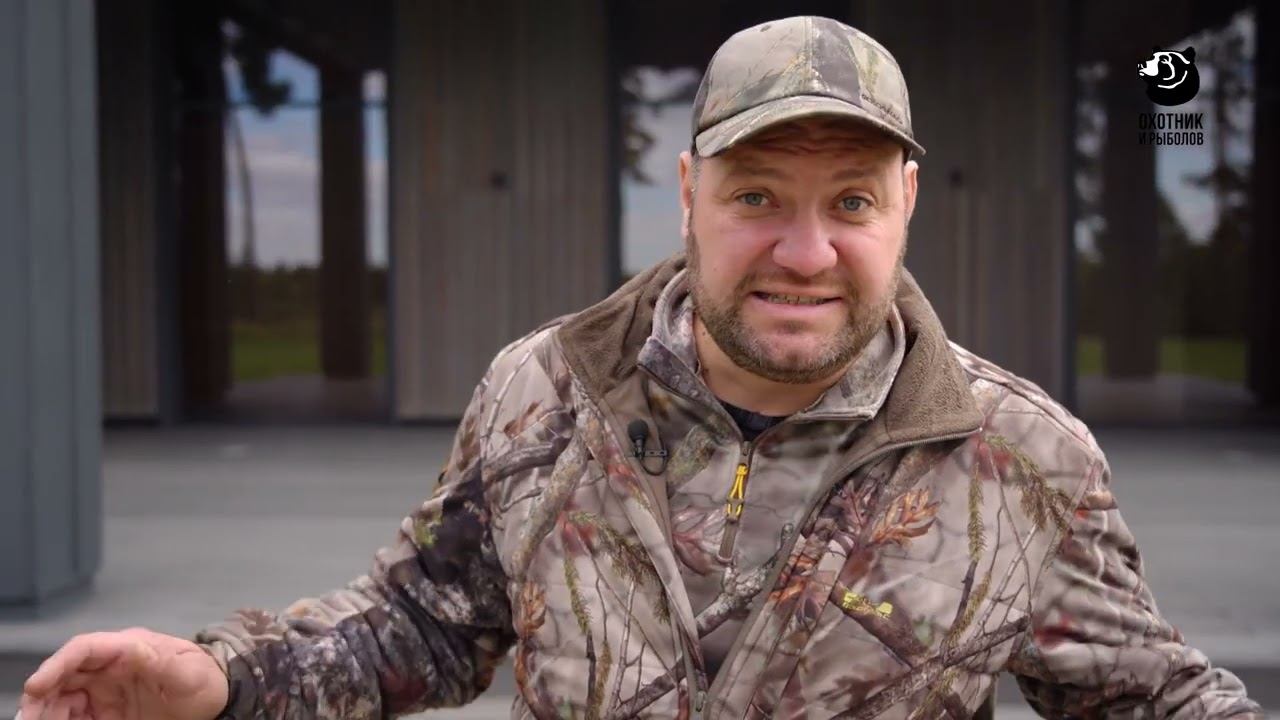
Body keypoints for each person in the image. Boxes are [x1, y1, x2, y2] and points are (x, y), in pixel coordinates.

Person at [18, 15, 1262, 720]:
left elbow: (1154, 698)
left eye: (849, 201)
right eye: (756, 195)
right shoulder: (542, 394)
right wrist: (217, 678)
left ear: (906, 205)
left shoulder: (1020, 459)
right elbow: (420, 622)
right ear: (686, 193)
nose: (804, 252)